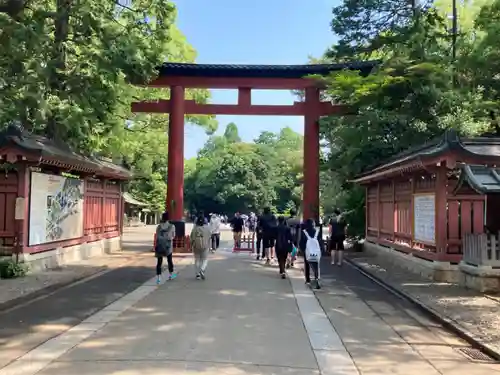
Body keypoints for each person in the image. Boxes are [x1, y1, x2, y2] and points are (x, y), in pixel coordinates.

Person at [299, 218, 322, 289]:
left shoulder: (304, 232)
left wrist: (302, 250)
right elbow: (320, 242)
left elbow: (301, 242)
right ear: (313, 224)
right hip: (316, 252)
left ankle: (308, 279)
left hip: (307, 251)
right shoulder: (317, 232)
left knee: (307, 265)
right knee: (316, 266)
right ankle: (316, 278)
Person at [154, 211, 176, 284]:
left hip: (159, 245)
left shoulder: (159, 227)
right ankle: (171, 275)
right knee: (169, 260)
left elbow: (156, 236)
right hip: (168, 246)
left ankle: (158, 278)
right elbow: (173, 236)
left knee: (159, 262)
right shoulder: (172, 226)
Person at [190, 215, 211, 280]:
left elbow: (191, 238)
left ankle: (197, 275)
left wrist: (191, 245)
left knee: (197, 260)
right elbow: (209, 237)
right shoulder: (207, 228)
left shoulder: (194, 229)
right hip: (205, 246)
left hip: (196, 246)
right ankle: (202, 269)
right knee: (205, 259)